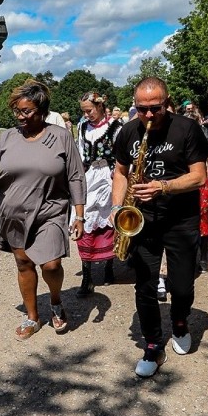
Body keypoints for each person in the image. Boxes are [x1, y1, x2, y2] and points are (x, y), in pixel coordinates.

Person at [110, 77, 208, 377]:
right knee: (144, 285)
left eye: (156, 108)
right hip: (142, 220)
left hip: (181, 218)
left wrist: (162, 187)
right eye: (142, 109)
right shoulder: (128, 131)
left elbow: (199, 176)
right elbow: (120, 171)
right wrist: (118, 208)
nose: (149, 116)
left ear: (167, 102)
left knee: (181, 285)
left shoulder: (187, 129)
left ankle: (180, 321)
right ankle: (153, 343)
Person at [0, 79, 86, 341]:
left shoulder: (60, 137)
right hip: (14, 212)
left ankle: (56, 301)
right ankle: (32, 317)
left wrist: (79, 214)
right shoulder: (10, 137)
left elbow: (75, 177)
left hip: (51, 209)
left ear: (42, 110)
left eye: (26, 111)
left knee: (51, 263)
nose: (20, 116)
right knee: (23, 262)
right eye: (17, 111)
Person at [75, 91, 124, 296]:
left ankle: (108, 266)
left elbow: (122, 153)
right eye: (84, 112)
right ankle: (87, 276)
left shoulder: (115, 127)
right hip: (90, 176)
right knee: (84, 221)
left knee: (110, 218)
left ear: (100, 106)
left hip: (110, 176)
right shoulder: (82, 127)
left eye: (89, 111)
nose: (86, 115)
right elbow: (79, 151)